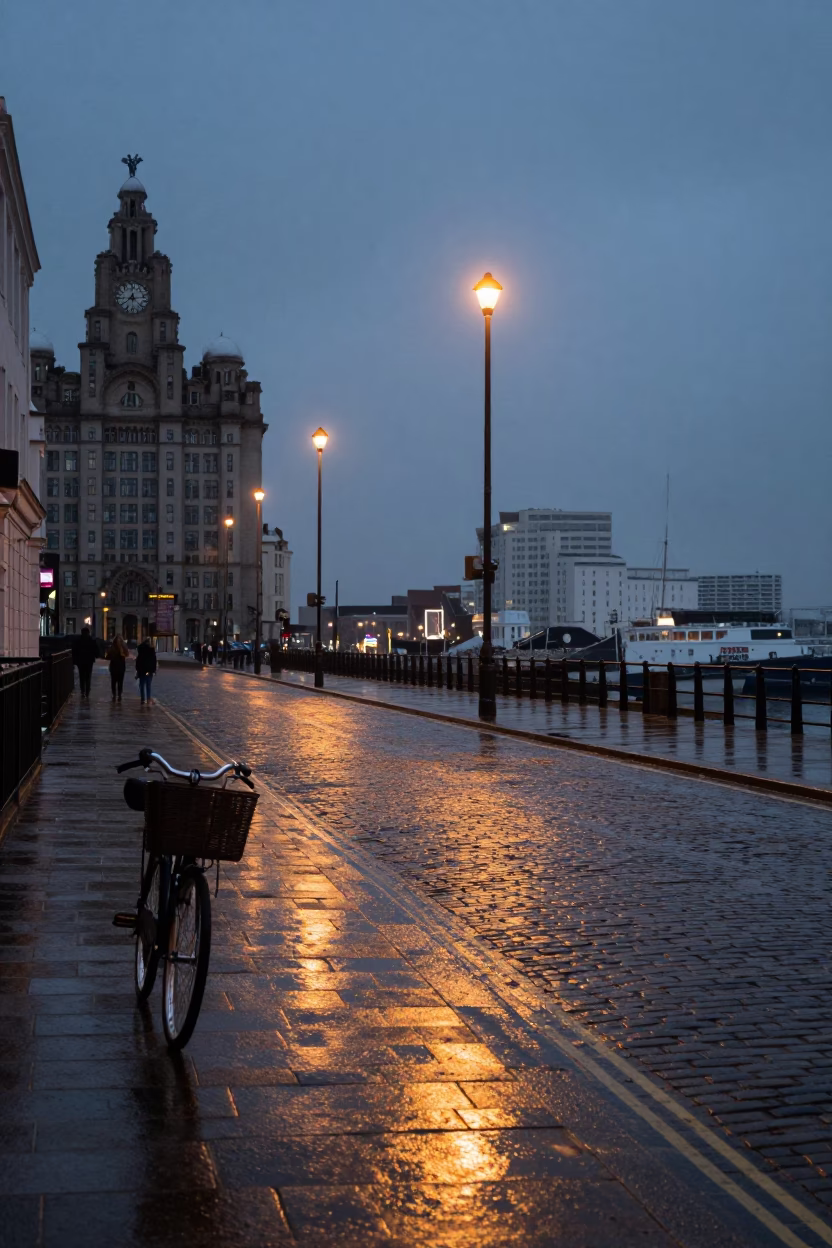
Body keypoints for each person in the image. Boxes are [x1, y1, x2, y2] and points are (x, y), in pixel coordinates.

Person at [71, 626, 99, 699]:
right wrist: (96, 655)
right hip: (89, 661)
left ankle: (83, 690)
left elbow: (74, 651)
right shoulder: (91, 640)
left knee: (82, 676)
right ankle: (87, 691)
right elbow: (96, 650)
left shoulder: (78, 641)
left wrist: (74, 660)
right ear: (88, 633)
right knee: (88, 676)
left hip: (81, 661)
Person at [135, 637, 157, 705]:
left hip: (142, 670)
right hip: (149, 670)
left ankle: (142, 699)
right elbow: (154, 661)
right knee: (148, 685)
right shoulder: (151, 650)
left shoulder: (140, 650)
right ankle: (148, 699)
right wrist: (154, 670)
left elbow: (138, 661)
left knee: (142, 685)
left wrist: (137, 669)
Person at [107, 634, 128, 701]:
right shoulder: (113, 647)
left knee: (119, 682)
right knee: (115, 681)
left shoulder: (123, 647)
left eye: (119, 640)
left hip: (120, 666)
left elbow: (127, 654)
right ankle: (115, 694)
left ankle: (118, 694)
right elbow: (108, 656)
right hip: (115, 666)